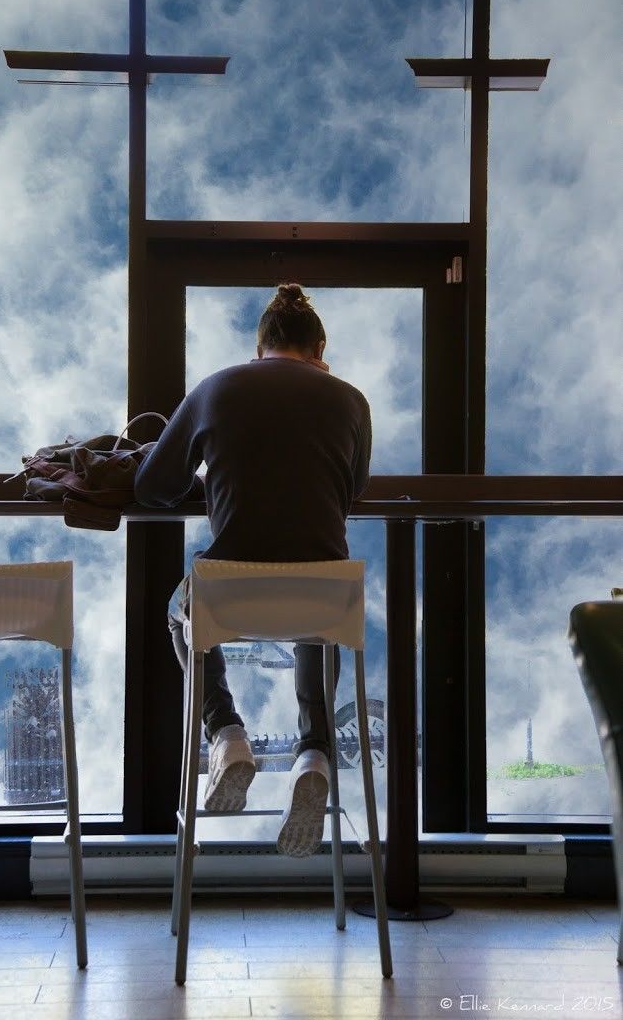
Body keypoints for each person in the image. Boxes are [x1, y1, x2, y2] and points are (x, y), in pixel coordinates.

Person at [134, 283, 372, 857]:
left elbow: (152, 486)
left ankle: (227, 734)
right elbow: (353, 492)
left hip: (230, 597)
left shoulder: (217, 387)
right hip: (323, 598)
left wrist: (209, 480)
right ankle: (314, 751)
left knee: (178, 611)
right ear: (319, 349)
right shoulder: (350, 400)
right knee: (323, 597)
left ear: (258, 345)